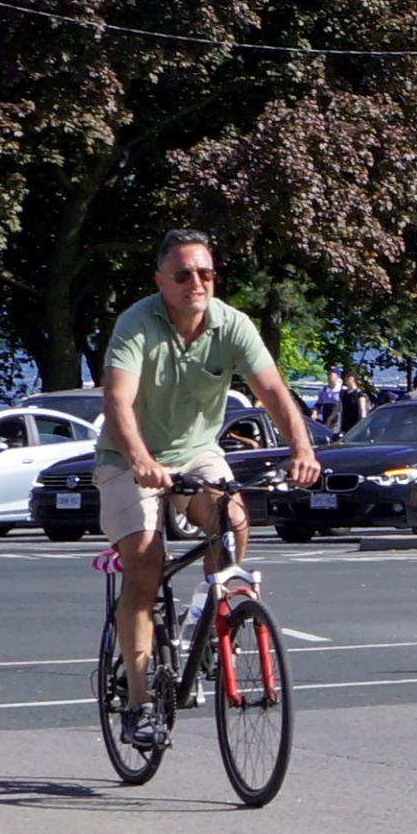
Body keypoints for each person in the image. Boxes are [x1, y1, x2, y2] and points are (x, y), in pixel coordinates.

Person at [98, 229, 321, 748]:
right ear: (161, 281)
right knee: (145, 565)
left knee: (234, 520)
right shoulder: (136, 324)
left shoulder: (231, 325)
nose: (196, 283)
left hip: (197, 452)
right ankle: (138, 702)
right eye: (183, 275)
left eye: (206, 273)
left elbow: (273, 393)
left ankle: (215, 610)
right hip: (130, 458)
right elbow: (117, 401)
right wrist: (140, 461)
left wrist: (302, 450)